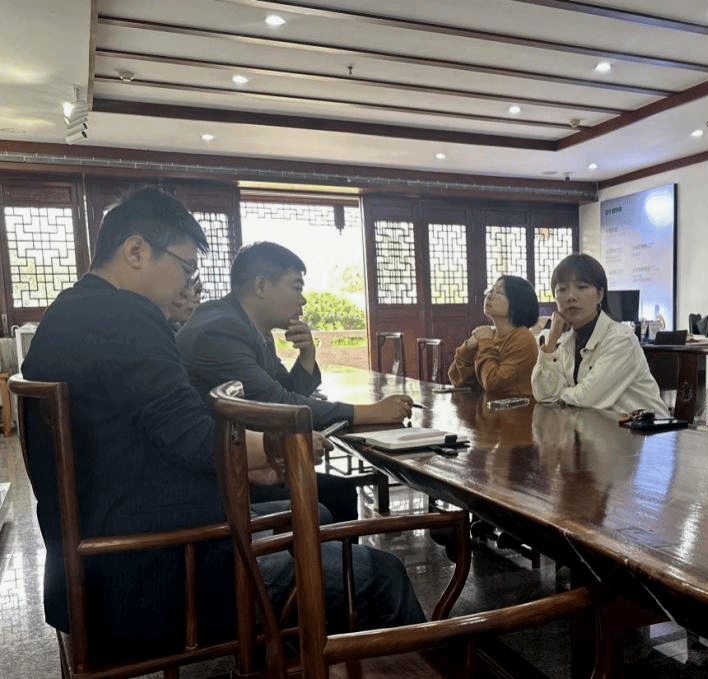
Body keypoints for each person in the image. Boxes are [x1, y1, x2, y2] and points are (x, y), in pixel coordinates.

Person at [20, 187, 424, 658]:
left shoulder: (69, 313)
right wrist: (275, 448)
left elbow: (156, 437)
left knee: (315, 518)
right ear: (136, 251)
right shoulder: (124, 316)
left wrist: (249, 464)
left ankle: (298, 657)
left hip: (100, 564)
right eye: (186, 268)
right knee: (382, 575)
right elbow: (195, 438)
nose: (186, 287)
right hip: (158, 576)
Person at [177, 241, 412, 520]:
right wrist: (369, 413)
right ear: (261, 286)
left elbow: (283, 391)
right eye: (297, 287)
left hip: (240, 466)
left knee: (339, 492)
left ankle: (334, 549)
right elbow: (277, 402)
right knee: (337, 495)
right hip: (213, 482)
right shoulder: (219, 330)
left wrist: (307, 355)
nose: (303, 300)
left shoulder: (254, 330)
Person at [532, 253, 667, 416]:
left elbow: (588, 399)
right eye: (562, 289)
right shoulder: (566, 341)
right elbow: (544, 395)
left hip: (647, 429)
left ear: (600, 294)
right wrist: (552, 341)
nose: (571, 297)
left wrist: (558, 394)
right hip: (594, 427)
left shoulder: (620, 338)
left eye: (582, 287)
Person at [448, 275, 539, 397]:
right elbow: (456, 379)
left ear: (518, 303)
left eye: (499, 292)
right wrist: (468, 347)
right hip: (487, 406)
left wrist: (485, 342)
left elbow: (493, 383)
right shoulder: (491, 335)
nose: (489, 296)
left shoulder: (523, 338)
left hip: (517, 408)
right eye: (491, 290)